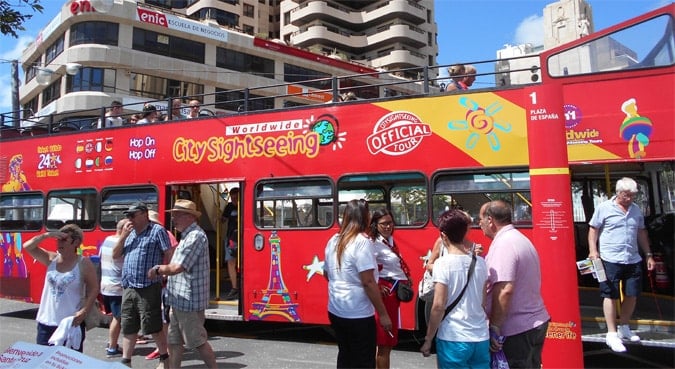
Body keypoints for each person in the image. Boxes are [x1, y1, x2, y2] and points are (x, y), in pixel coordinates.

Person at [479, 200, 550, 369]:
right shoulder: (518, 238)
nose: (479, 223)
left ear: (490, 220)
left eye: (480, 219)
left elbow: (504, 290)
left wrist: (495, 327)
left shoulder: (504, 244)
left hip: (517, 329)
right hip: (532, 323)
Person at [588, 177, 655, 353]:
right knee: (610, 294)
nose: (630, 199)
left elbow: (641, 232)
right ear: (619, 193)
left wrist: (648, 254)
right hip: (610, 258)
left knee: (632, 294)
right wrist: (593, 251)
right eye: (627, 195)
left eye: (632, 195)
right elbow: (593, 229)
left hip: (632, 258)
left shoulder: (636, 210)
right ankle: (611, 333)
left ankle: (624, 326)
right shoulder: (604, 208)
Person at [323, 199, 392, 369]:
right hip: (358, 314)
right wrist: (383, 314)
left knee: (345, 357)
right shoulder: (362, 242)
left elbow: (327, 273)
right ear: (365, 217)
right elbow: (368, 282)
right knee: (363, 361)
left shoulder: (334, 240)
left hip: (336, 309)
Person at [148, 200, 217, 369]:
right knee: (174, 342)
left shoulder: (195, 236)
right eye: (173, 214)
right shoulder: (187, 235)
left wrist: (157, 269)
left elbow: (178, 267)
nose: (173, 218)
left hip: (189, 301)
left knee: (198, 342)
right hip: (179, 299)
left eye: (177, 214)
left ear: (189, 216)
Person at [420, 209, 489, 368]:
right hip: (480, 337)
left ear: (443, 236)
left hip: (453, 338)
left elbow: (438, 306)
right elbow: (483, 302)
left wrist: (428, 339)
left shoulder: (442, 264)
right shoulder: (481, 263)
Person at [113, 202, 172, 369]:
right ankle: (126, 361)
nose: (129, 219)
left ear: (145, 214)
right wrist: (123, 236)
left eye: (133, 215)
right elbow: (115, 254)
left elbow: (169, 252)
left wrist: (166, 271)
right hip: (129, 286)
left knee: (153, 325)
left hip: (148, 286)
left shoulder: (157, 231)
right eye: (128, 216)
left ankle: (164, 358)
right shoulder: (129, 233)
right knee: (128, 325)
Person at [23, 224, 98, 352]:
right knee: (44, 362)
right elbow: (27, 247)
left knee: (69, 362)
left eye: (63, 239)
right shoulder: (51, 259)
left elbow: (93, 288)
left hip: (70, 324)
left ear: (76, 242)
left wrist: (85, 310)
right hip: (46, 323)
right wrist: (47, 235)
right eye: (57, 239)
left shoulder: (84, 263)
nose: (58, 243)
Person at [369, 208, 411, 369]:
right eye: (384, 224)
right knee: (384, 343)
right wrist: (377, 285)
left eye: (390, 223)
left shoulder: (390, 241)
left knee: (387, 343)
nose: (388, 226)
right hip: (386, 294)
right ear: (375, 224)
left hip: (393, 293)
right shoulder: (374, 244)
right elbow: (367, 269)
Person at [145, 210, 179, 361]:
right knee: (161, 317)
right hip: (158, 280)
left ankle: (164, 349)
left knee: (163, 317)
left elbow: (172, 257)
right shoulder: (161, 234)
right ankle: (162, 348)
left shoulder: (164, 234)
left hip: (163, 282)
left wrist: (164, 274)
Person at [100, 219, 129, 357]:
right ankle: (112, 348)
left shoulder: (107, 239)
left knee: (114, 317)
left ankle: (112, 342)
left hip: (105, 285)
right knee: (118, 318)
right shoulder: (122, 244)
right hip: (117, 286)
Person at [222, 187, 240, 300]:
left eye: (236, 197)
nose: (234, 199)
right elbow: (223, 219)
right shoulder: (229, 207)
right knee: (230, 262)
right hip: (231, 238)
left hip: (242, 237)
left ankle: (237, 287)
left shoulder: (245, 204)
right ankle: (234, 288)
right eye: (233, 197)